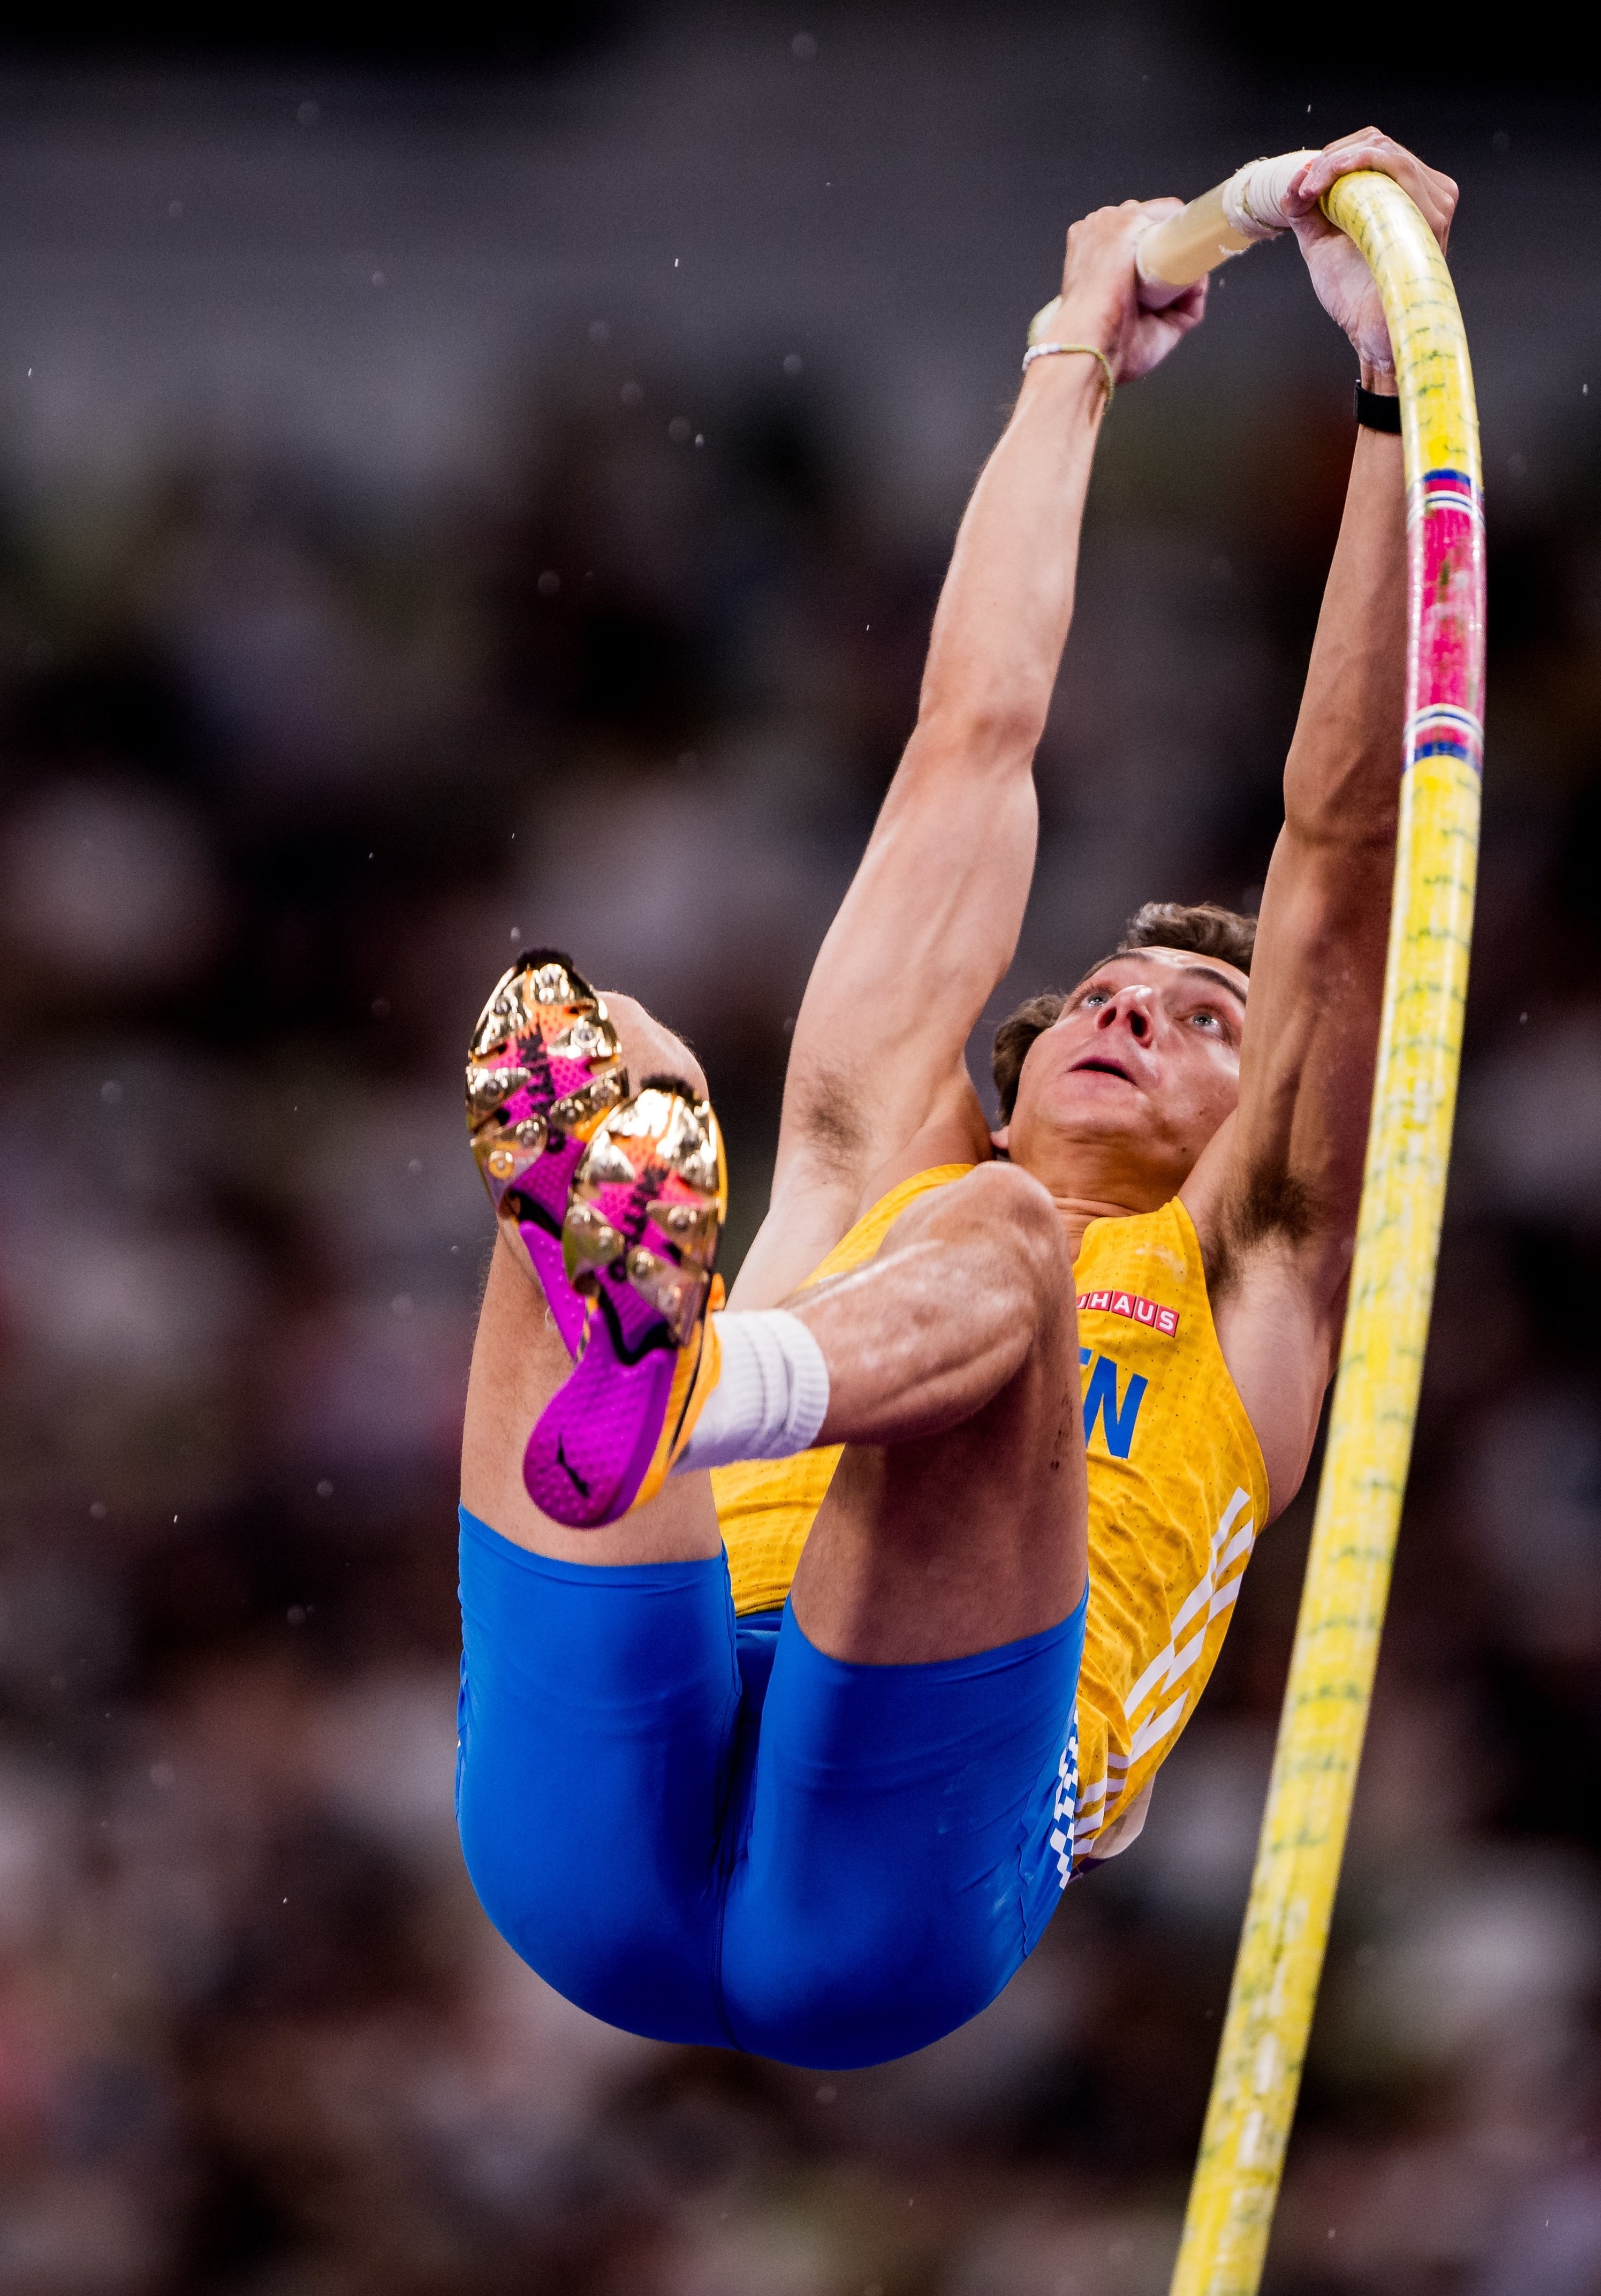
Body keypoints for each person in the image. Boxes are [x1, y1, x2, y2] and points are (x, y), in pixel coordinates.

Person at [456, 130, 1458, 2071]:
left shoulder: (1260, 1268)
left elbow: (1342, 843)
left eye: (1195, 1018)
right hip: (606, 1786)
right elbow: (967, 740)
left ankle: (689, 1380)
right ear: (1016, 1060)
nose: (1126, 1012)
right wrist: (1064, 359)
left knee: (1000, 1255)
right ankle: (649, 1359)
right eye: (1102, 991)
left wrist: (1387, 392)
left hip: (905, 1870)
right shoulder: (873, 1160)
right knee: (620, 1062)